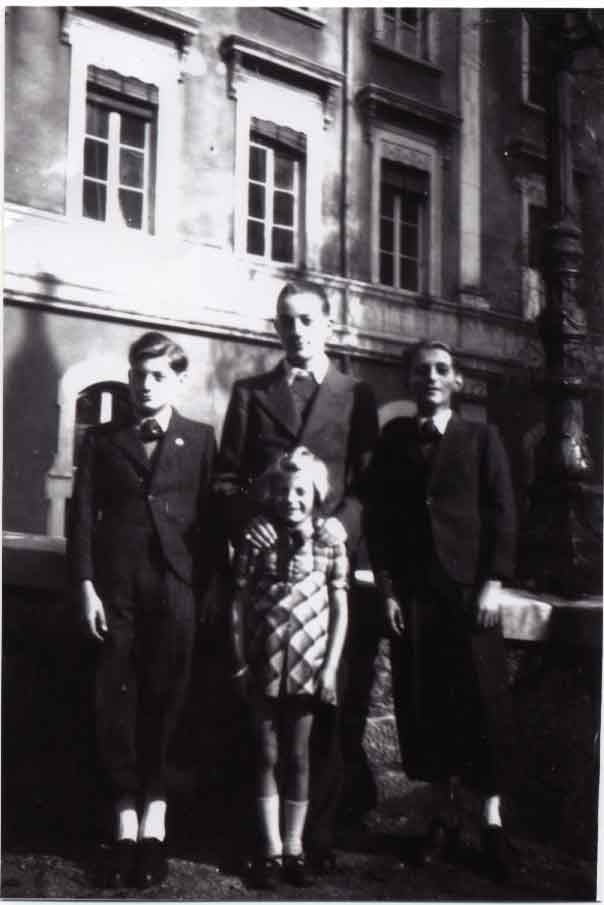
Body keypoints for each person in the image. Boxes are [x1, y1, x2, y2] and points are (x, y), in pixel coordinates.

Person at [215, 279, 379, 868]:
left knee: (325, 713)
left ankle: (317, 839)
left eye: (308, 320)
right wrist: (245, 524)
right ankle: (263, 843)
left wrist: (345, 526)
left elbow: (367, 484)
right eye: (287, 321)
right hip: (264, 586)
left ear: (328, 325)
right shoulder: (251, 392)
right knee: (261, 719)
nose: (297, 330)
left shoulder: (355, 394)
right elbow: (227, 479)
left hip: (325, 575)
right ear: (277, 327)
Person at [69, 331, 222, 889]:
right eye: (139, 374)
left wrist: (206, 594)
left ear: (179, 380)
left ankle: (156, 826)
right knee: (115, 701)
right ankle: (125, 825)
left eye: (159, 375)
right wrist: (85, 586)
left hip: (176, 591)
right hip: (117, 593)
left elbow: (211, 525)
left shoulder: (200, 440)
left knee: (168, 700)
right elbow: (82, 517)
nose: (146, 385)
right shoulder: (104, 440)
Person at [364, 339, 517, 883]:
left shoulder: (481, 438)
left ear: (456, 381)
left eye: (442, 369)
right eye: (421, 370)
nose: (431, 377)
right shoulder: (394, 440)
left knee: (480, 702)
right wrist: (386, 590)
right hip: (415, 596)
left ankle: (492, 822)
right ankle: (442, 816)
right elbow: (379, 522)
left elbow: (501, 512)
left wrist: (493, 583)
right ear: (409, 381)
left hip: (469, 592)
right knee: (425, 702)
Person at [230, 447, 349, 889]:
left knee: (298, 756)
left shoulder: (329, 541)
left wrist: (330, 669)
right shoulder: (255, 538)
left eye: (300, 491)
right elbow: (238, 603)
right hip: (264, 661)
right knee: (266, 753)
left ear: (316, 494)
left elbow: (340, 605)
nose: (291, 499)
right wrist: (240, 661)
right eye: (281, 490)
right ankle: (270, 850)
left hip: (308, 664)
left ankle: (296, 846)